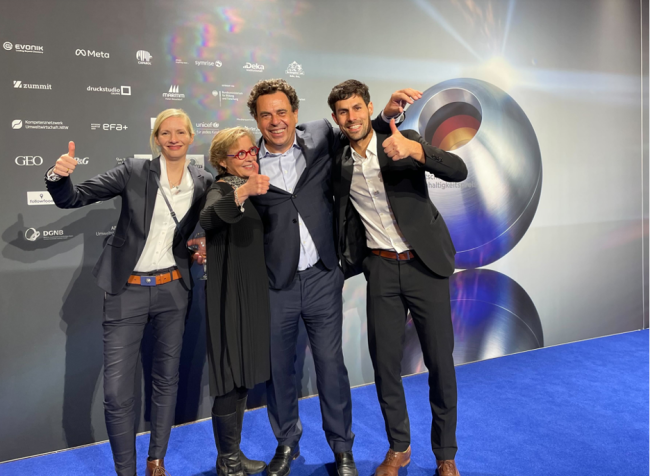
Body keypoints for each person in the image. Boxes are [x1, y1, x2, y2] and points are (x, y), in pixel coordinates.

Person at [245, 78, 421, 476]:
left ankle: (342, 448)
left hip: (324, 276)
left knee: (330, 365)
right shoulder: (246, 162)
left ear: (295, 113)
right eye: (266, 115)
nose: (275, 121)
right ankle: (287, 443)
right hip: (277, 283)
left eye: (282, 112)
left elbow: (360, 129)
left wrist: (387, 115)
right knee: (279, 369)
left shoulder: (322, 135)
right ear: (256, 119)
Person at [45, 109, 213, 476]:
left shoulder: (203, 180)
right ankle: (127, 471)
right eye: (165, 132)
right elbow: (73, 198)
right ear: (156, 137)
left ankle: (157, 460)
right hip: (127, 291)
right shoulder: (133, 171)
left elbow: (205, 227)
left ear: (190, 136)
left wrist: (200, 245)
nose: (173, 138)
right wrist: (59, 176)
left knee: (166, 379)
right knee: (117, 393)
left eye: (180, 132)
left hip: (174, 291)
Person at [327, 80, 468, 476]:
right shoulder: (338, 159)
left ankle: (445, 454)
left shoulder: (401, 139)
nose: (351, 118)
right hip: (382, 269)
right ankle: (399, 447)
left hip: (426, 266)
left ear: (367, 107)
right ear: (336, 118)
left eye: (357, 109)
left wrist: (417, 149)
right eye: (343, 112)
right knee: (385, 364)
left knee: (440, 363)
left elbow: (458, 170)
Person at [199, 127, 272, 476]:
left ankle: (232, 453)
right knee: (230, 376)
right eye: (239, 154)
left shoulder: (253, 188)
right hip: (230, 293)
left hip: (252, 292)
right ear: (221, 161)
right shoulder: (221, 188)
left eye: (251, 152)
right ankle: (227, 461)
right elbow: (209, 217)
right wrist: (242, 191)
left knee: (241, 376)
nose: (248, 157)